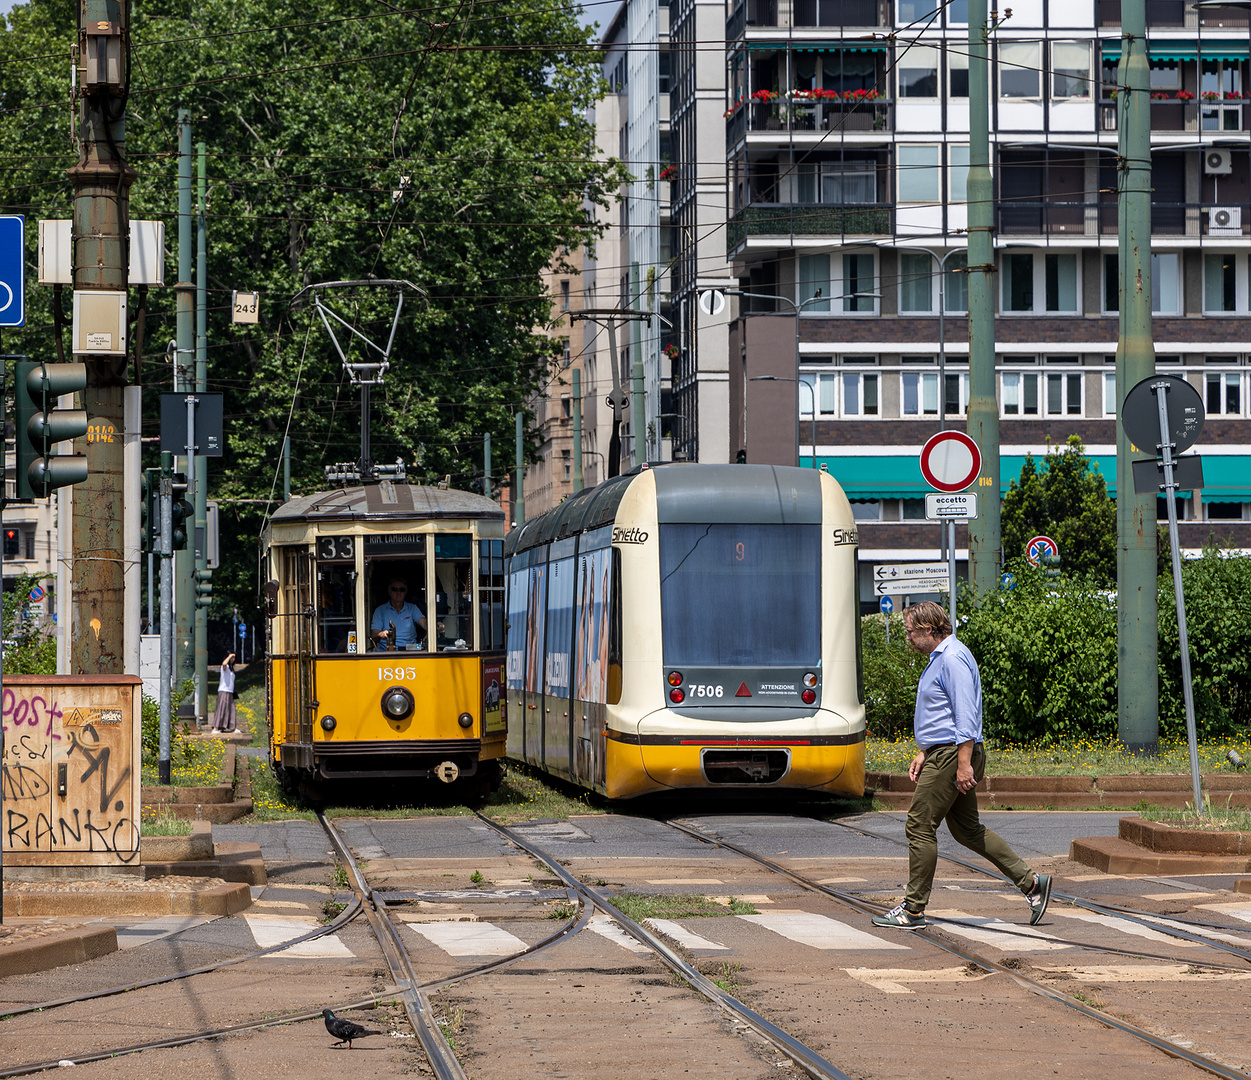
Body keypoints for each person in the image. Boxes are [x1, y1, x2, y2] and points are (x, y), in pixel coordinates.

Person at [872, 601, 1051, 931]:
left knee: (919, 824)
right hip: (946, 753)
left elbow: (965, 714)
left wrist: (963, 763)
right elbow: (941, 714)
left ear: (928, 630)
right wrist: (925, 751)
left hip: (954, 755)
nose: (908, 638)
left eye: (911, 631)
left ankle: (913, 909)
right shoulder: (942, 657)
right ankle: (1031, 884)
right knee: (967, 830)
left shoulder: (951, 659)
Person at [370, 578, 427, 650]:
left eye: (402, 589)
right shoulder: (380, 610)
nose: (398, 592)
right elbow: (374, 636)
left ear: (406, 592)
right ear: (389, 591)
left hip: (409, 652)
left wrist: (434, 625)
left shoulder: (412, 608)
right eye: (394, 589)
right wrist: (381, 634)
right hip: (385, 653)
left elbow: (424, 622)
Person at [211, 652, 237, 733]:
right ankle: (216, 727)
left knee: (231, 709)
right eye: (231, 658)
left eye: (233, 658)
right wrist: (229, 656)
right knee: (221, 709)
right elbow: (224, 663)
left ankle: (231, 727)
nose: (232, 659)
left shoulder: (231, 669)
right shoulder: (225, 667)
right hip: (223, 690)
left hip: (229, 691)